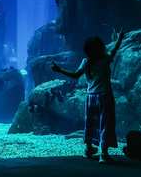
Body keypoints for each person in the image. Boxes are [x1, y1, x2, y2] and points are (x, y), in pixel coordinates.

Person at [51, 28, 124, 164]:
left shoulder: (86, 62)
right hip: (105, 96)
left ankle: (88, 149)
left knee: (91, 123)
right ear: (101, 48)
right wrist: (119, 38)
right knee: (106, 123)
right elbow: (115, 48)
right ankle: (104, 153)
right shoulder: (106, 58)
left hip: (91, 97)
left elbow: (75, 75)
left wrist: (59, 69)